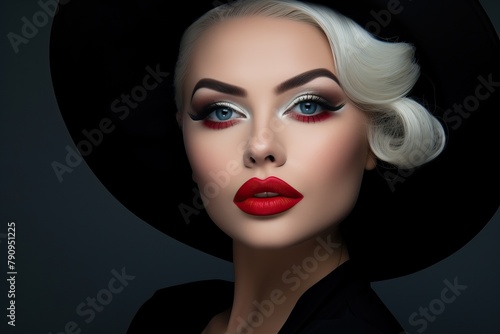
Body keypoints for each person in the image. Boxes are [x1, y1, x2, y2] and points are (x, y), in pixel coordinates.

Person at [49, 0, 500, 333]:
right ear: (182, 136)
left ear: (373, 139)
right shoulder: (167, 317)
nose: (260, 147)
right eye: (220, 112)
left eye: (308, 105)